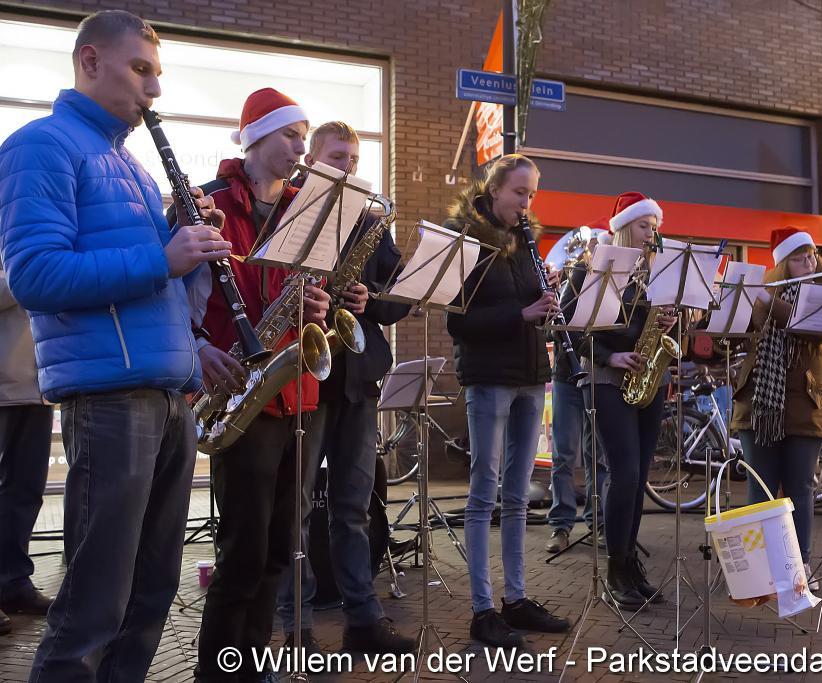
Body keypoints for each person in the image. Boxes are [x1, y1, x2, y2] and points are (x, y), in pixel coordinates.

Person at [0, 10, 226, 680]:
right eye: (140, 69)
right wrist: (164, 255)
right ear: (90, 61)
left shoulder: (131, 166)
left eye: (158, 73)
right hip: (109, 396)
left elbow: (157, 286)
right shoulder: (39, 146)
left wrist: (187, 246)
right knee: (95, 604)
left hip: (166, 390)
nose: (154, 88)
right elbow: (35, 276)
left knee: (151, 593)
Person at [181, 88, 333, 681]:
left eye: (303, 136)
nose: (300, 147)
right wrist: (198, 350)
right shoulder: (211, 202)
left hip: (298, 391)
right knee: (242, 552)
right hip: (240, 390)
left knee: (278, 548)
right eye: (291, 135)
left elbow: (310, 293)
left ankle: (254, 665)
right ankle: (217, 672)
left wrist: (318, 305)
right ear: (255, 137)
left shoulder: (307, 210)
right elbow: (181, 298)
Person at [275, 121, 413, 654]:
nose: (349, 166)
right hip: (305, 376)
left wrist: (369, 298)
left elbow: (399, 300)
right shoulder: (293, 209)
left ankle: (363, 619)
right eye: (338, 157)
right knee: (296, 509)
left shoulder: (371, 221)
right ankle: (298, 623)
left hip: (357, 377)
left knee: (354, 507)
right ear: (312, 160)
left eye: (354, 158)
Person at [445, 153, 571, 648]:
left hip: (530, 375)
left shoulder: (526, 242)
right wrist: (522, 313)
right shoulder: (465, 239)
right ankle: (482, 610)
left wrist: (547, 295)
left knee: (517, 496)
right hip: (489, 377)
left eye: (532, 194)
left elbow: (532, 311)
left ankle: (516, 599)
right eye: (519, 193)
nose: (526, 203)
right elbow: (458, 322)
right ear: (494, 189)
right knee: (484, 494)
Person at [565, 192, 675, 607]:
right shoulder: (592, 265)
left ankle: (630, 566)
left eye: (655, 226)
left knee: (639, 476)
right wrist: (610, 356)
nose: (652, 233)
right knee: (624, 473)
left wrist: (672, 321)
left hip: (649, 377)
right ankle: (614, 571)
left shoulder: (658, 271)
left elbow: (669, 328)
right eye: (645, 225)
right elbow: (568, 325)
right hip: (606, 376)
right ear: (625, 226)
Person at [0, 193, 54, 636]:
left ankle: (13, 582)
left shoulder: (38, 226)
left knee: (25, 491)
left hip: (36, 381)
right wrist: (32, 274)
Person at [732, 227, 822, 578]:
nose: (809, 262)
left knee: (800, 487)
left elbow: (809, 326)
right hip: (760, 406)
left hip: (806, 404)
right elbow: (731, 336)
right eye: (799, 257)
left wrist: (766, 299)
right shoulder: (761, 297)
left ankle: (798, 565)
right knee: (760, 487)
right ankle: (760, 569)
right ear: (782, 264)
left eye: (812, 255)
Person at [545, 228, 608, 554]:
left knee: (597, 455)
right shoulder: (577, 276)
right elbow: (559, 326)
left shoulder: (615, 282)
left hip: (597, 375)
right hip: (568, 376)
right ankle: (561, 525)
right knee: (564, 455)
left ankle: (599, 522)